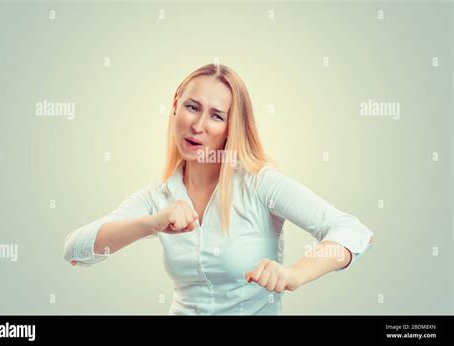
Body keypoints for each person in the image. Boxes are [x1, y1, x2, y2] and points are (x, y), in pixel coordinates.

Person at [63, 63, 375, 315]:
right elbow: (76, 251)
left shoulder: (259, 183)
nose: (198, 125)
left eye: (216, 116)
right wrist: (150, 224)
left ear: (231, 127)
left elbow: (353, 231)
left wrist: (294, 275)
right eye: (192, 107)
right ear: (175, 106)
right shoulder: (158, 198)